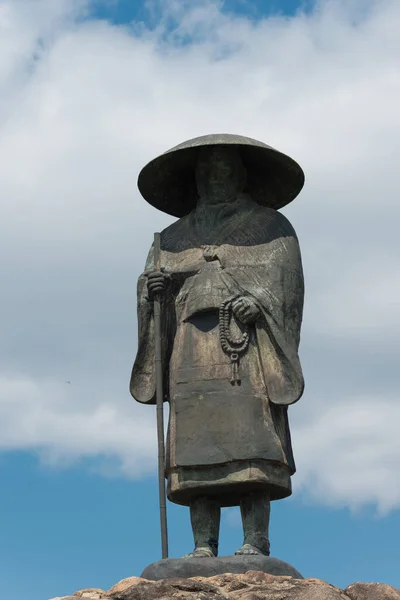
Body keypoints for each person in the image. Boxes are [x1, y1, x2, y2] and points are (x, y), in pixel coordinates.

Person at [130, 134, 305, 558]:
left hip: (246, 352)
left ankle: (254, 539)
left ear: (242, 175)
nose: (215, 178)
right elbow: (155, 290)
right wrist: (152, 291)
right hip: (189, 351)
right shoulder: (170, 238)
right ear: (196, 180)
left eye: (224, 170)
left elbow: (286, 289)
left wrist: (258, 302)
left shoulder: (270, 228)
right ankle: (203, 544)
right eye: (206, 172)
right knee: (194, 446)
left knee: (253, 442)